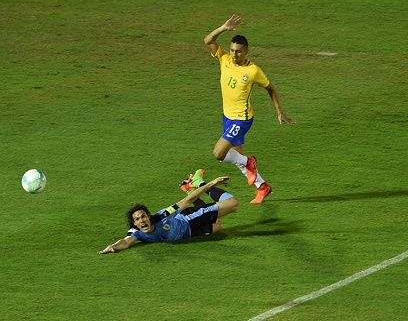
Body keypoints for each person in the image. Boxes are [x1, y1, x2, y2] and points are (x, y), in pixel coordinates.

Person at [202, 14, 296, 204]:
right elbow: (208, 40)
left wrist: (280, 111)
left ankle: (249, 162)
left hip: (241, 119)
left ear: (246, 52)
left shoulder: (253, 71)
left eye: (238, 51)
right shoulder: (224, 59)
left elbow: (270, 88)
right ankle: (262, 187)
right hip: (227, 116)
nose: (234, 55)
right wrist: (223, 27)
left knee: (219, 154)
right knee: (237, 158)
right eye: (232, 50)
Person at [99, 170, 237, 254]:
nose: (141, 220)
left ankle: (198, 182)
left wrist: (212, 183)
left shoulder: (163, 215)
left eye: (143, 216)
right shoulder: (136, 232)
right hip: (188, 234)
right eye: (137, 219)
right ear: (134, 223)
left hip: (189, 219)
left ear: (149, 216)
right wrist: (113, 247)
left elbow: (187, 201)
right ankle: (189, 187)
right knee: (218, 226)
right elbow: (125, 242)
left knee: (233, 204)